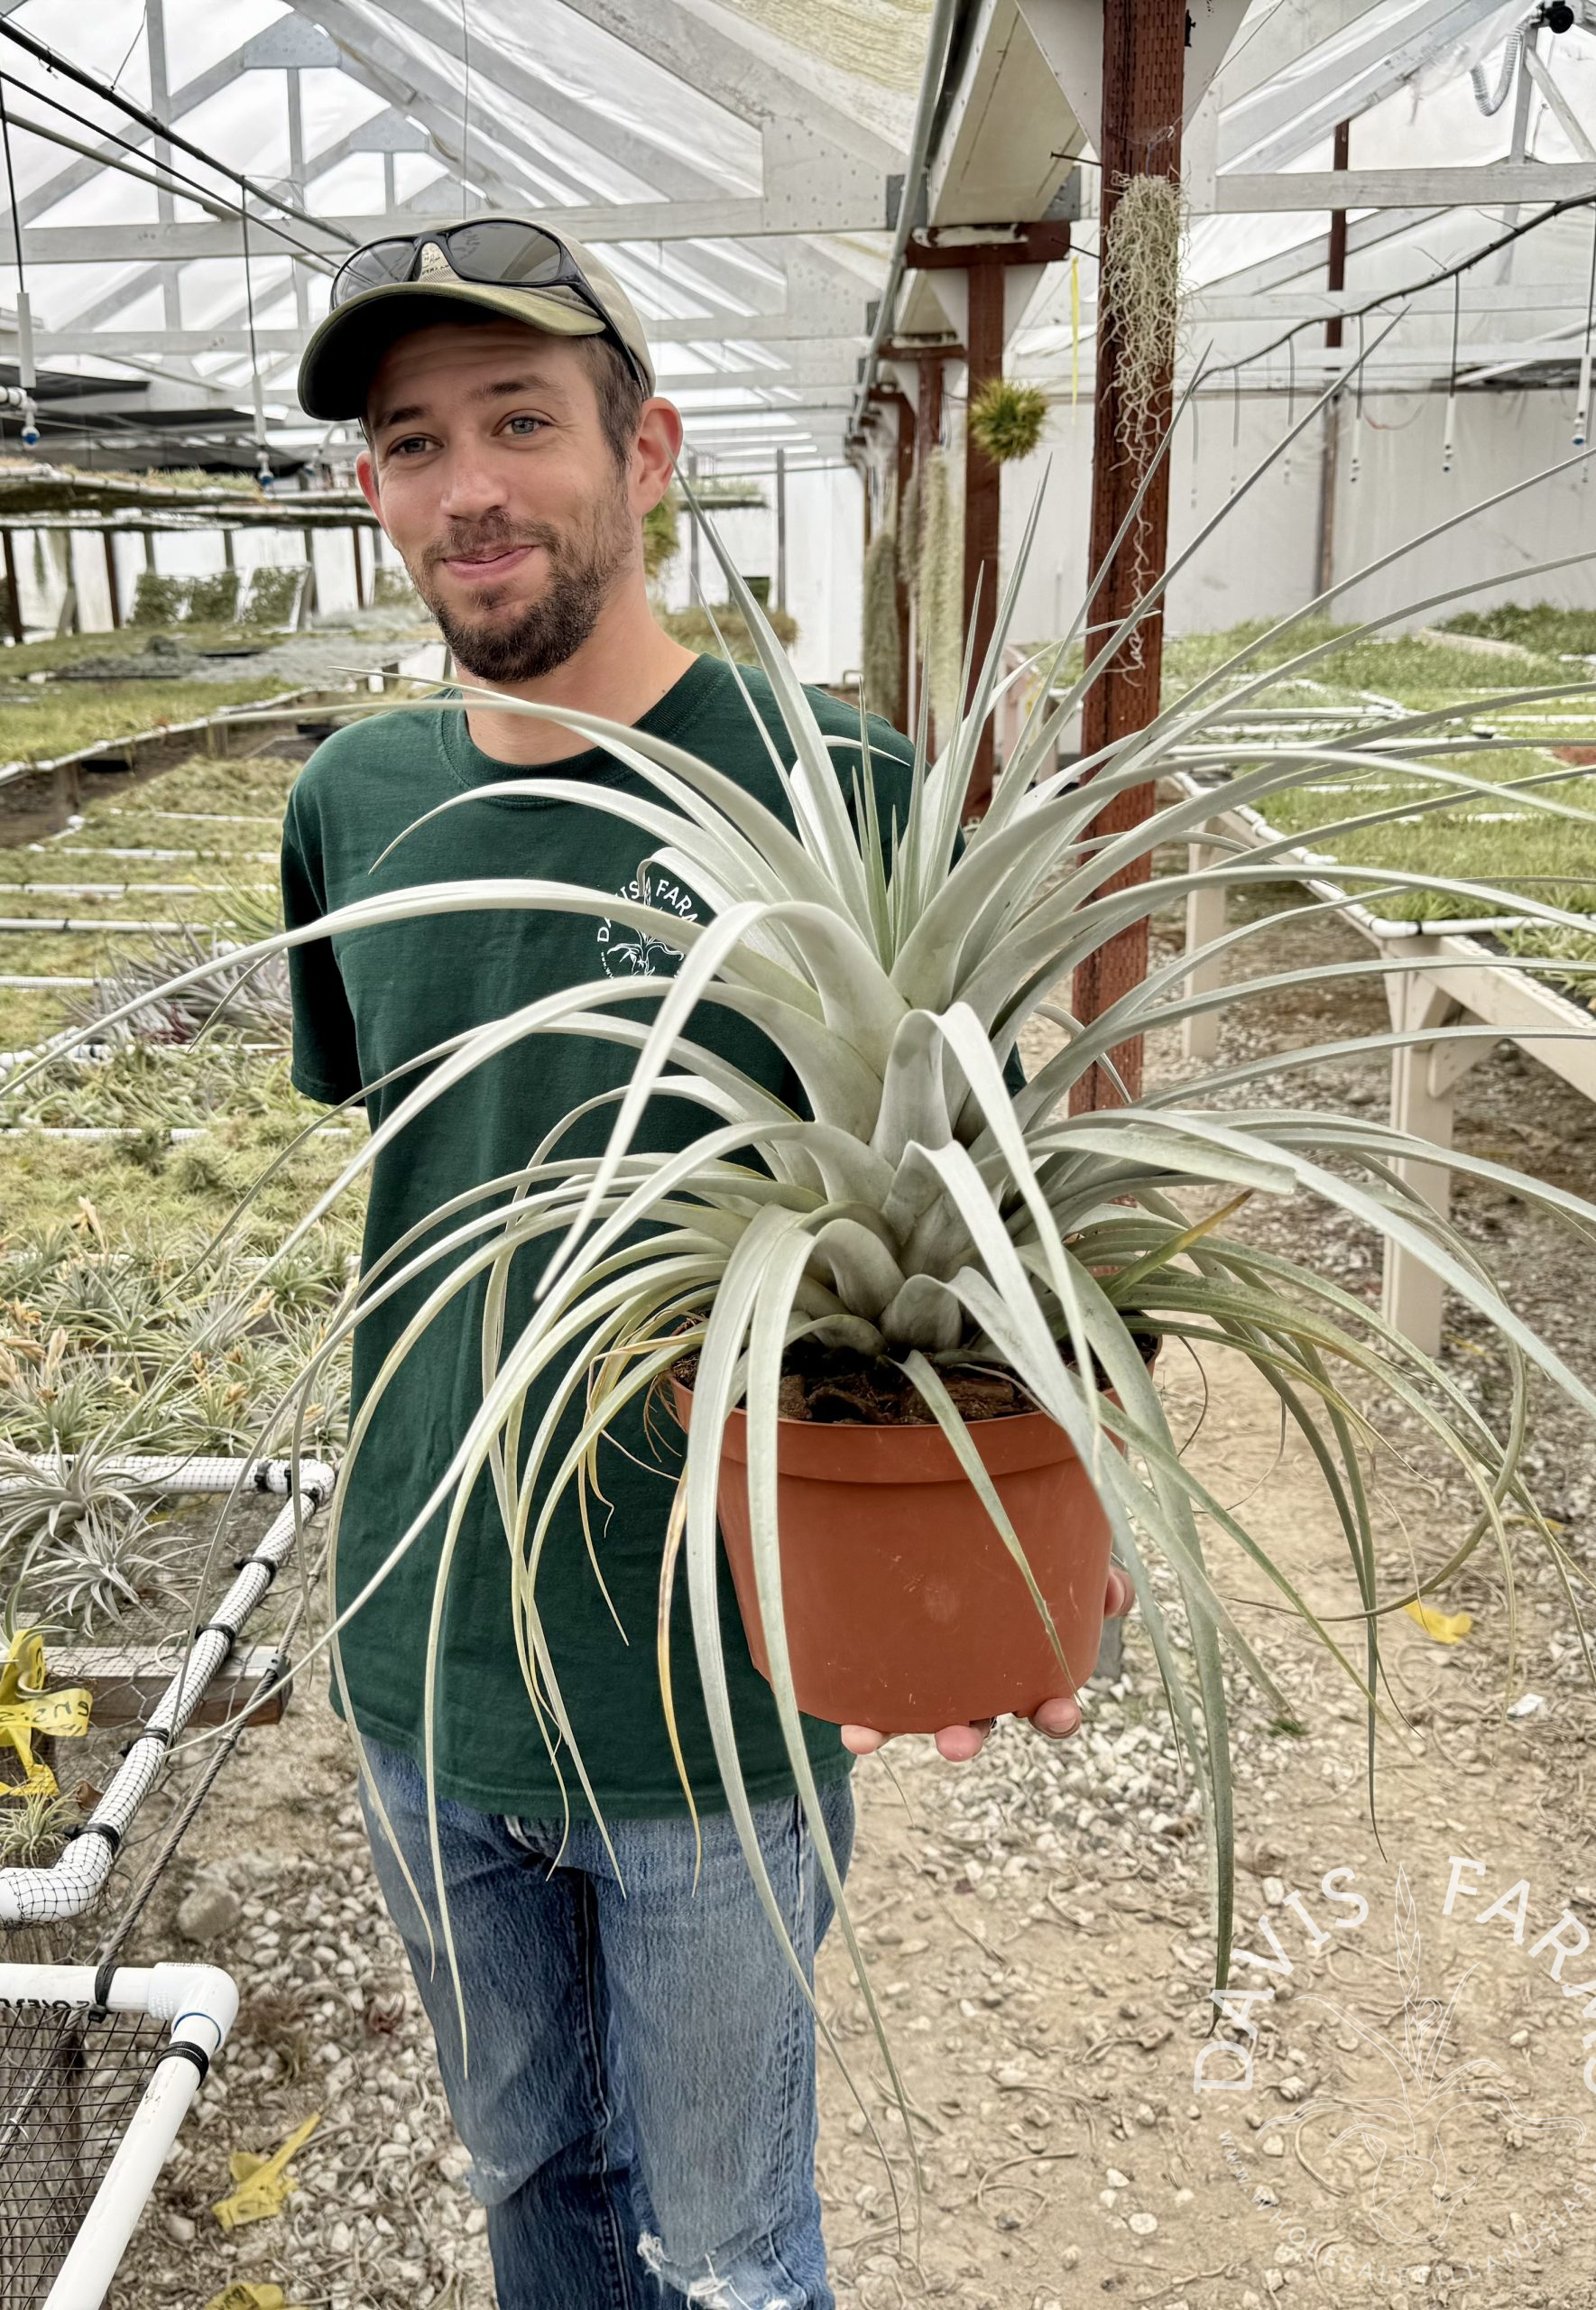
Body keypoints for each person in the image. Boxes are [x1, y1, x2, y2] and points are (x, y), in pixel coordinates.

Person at [284, 219, 1130, 2310]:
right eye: (410, 442)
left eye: (518, 420)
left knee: (731, 2236)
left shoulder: (832, 785)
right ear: (371, 492)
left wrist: (1033, 1570)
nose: (463, 482)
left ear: (644, 451)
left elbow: (992, 1219)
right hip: (422, 1648)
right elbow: (409, 1160)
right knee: (525, 2182)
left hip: (715, 1684)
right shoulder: (349, 799)